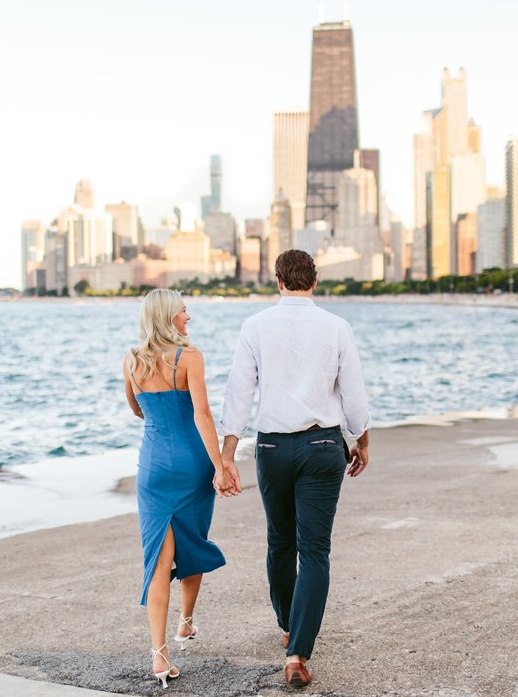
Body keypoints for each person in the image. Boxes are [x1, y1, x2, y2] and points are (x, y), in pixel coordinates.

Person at [218, 249, 371, 688]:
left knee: (280, 543)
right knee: (315, 550)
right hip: (324, 446)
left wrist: (229, 455)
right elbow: (354, 395)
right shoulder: (337, 327)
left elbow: (239, 396)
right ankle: (297, 652)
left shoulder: (255, 326)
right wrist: (361, 440)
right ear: (315, 280)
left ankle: (289, 625)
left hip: (272, 448)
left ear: (279, 280)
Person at [123, 289, 238, 688]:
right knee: (192, 543)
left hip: (153, 467)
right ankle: (185, 622)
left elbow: (136, 408)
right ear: (170, 316)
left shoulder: (132, 360)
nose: (189, 315)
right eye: (184, 310)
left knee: (157, 558)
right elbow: (203, 416)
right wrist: (221, 466)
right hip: (192, 465)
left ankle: (159, 654)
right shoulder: (189, 358)